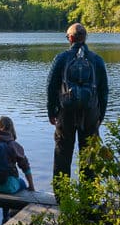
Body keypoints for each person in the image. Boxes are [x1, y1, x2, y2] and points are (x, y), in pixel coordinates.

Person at [46, 23, 109, 185]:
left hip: (65, 113)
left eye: (67, 37)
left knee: (62, 154)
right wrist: (100, 115)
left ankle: (62, 197)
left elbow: (51, 87)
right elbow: (104, 91)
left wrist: (51, 112)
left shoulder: (61, 58)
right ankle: (88, 198)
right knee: (89, 156)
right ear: (85, 38)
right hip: (90, 113)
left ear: (71, 38)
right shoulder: (97, 60)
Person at [0, 116, 35, 223]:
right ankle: (14, 216)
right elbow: (25, 167)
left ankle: (5, 217)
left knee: (5, 186)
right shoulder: (13, 145)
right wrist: (32, 186)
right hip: (8, 187)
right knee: (22, 184)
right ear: (12, 129)